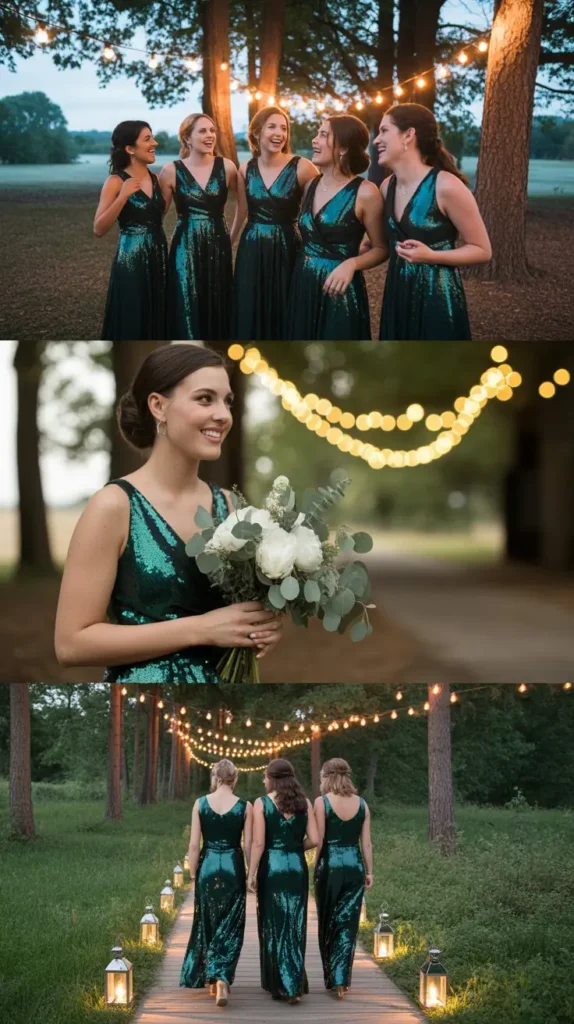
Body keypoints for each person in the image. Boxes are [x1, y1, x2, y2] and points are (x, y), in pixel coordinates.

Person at [54, 344, 283, 683]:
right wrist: (202, 629)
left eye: (227, 401)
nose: (223, 414)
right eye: (205, 399)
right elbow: (71, 644)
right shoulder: (114, 506)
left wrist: (260, 626)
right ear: (159, 406)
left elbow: (235, 616)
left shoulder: (231, 507)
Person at [374, 103, 492, 340]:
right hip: (397, 291)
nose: (377, 140)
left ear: (409, 134)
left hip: (437, 296)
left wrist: (431, 256)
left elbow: (482, 250)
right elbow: (379, 245)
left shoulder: (446, 186)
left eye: (384, 131)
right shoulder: (387, 187)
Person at [286, 114, 386, 340]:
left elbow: (381, 248)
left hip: (339, 289)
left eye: (323, 135)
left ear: (342, 148)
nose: (314, 140)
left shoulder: (366, 192)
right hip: (303, 283)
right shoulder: (310, 184)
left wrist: (352, 264)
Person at [231, 106, 318, 340]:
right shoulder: (245, 169)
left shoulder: (303, 167)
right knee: (250, 305)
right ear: (257, 132)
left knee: (285, 304)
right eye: (272, 126)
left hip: (287, 245)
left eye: (284, 128)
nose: (279, 133)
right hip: (251, 247)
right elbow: (242, 211)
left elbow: (317, 213)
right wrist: (228, 242)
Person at [181, 759, 253, 1007]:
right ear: (235, 779)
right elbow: (247, 844)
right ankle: (222, 977)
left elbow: (193, 844)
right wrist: (251, 873)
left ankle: (214, 976)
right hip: (233, 865)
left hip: (208, 864)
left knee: (208, 920)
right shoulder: (245, 806)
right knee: (232, 923)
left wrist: (192, 874)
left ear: (215, 777)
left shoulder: (200, 803)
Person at [159, 114, 237, 341]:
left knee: (217, 300)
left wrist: (231, 236)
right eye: (202, 131)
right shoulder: (171, 171)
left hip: (218, 244)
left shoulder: (227, 167)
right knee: (185, 301)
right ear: (187, 138)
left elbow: (246, 203)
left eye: (212, 130)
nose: (210, 135)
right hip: (185, 245)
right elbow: (158, 215)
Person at [247, 759, 319, 1003]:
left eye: (265, 776)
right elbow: (316, 839)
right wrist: (296, 847)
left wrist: (251, 873)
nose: (264, 780)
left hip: (272, 867)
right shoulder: (304, 803)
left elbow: (258, 843)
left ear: (273, 778)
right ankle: (294, 981)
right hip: (297, 866)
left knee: (273, 924)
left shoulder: (262, 803)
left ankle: (280, 983)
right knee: (295, 923)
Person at [95, 121, 168, 341]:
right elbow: (98, 228)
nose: (154, 143)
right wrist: (123, 196)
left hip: (158, 254)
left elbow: (158, 216)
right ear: (130, 149)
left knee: (158, 314)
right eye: (147, 139)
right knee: (132, 315)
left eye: (153, 137)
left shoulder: (156, 179)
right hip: (131, 257)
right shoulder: (115, 182)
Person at [314, 758, 373, 999]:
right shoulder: (362, 804)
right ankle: (341, 981)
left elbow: (318, 841)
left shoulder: (321, 802)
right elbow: (366, 843)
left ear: (327, 777)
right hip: (354, 865)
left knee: (328, 921)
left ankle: (332, 977)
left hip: (330, 865)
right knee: (348, 924)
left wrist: (314, 867)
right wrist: (369, 871)